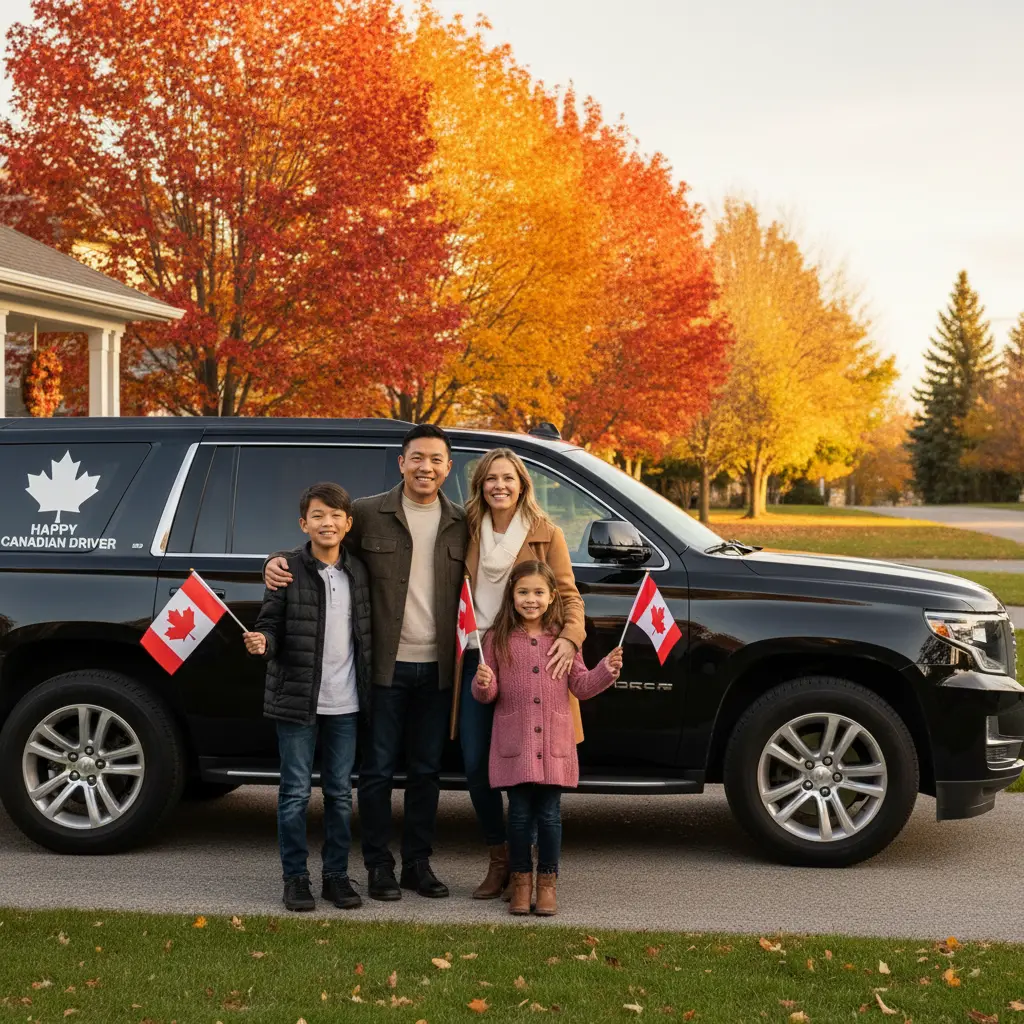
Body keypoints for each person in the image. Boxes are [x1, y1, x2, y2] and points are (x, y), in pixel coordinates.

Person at [263, 424, 466, 902]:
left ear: (448, 467)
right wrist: (273, 561)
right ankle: (378, 865)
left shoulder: (463, 520)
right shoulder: (368, 513)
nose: (426, 467)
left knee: (426, 772)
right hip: (382, 669)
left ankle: (417, 863)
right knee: (374, 773)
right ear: (402, 462)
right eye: (417, 457)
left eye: (436, 459)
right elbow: (318, 548)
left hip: (438, 668)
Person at [454, 448, 587, 900]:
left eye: (508, 478)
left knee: (533, 765)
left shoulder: (545, 532)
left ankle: (533, 874)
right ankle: (502, 859)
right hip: (479, 652)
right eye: (491, 479)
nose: (500, 486)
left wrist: (570, 638)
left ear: (522, 484)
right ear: (480, 485)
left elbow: (569, 596)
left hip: (530, 650)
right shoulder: (466, 526)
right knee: (476, 763)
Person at [242, 482, 372, 913]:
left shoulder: (360, 572)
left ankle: (336, 875)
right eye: (317, 515)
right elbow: (272, 624)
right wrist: (263, 641)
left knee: (338, 793)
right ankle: (295, 878)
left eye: (335, 516)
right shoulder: (287, 569)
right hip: (297, 701)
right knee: (295, 791)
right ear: (304, 523)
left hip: (347, 702)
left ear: (348, 524)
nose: (327, 522)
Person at [471, 560, 622, 916]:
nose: (530, 599)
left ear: (552, 596)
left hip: (554, 743)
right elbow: (487, 696)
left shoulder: (563, 640)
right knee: (520, 815)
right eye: (523, 592)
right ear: (511, 595)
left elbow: (581, 686)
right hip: (516, 743)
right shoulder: (497, 638)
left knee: (550, 816)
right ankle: (521, 883)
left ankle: (548, 884)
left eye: (538, 592)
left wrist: (606, 671)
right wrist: (483, 684)